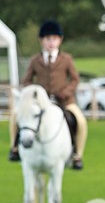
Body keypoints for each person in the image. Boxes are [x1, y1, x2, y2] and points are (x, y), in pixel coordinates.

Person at [10, 20, 87, 169]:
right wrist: (35, 93)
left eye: (54, 39)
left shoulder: (66, 59)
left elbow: (75, 79)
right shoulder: (35, 60)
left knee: (81, 121)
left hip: (64, 101)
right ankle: (14, 148)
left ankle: (77, 155)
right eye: (47, 39)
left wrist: (65, 92)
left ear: (60, 40)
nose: (51, 42)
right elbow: (26, 81)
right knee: (15, 115)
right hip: (40, 102)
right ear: (41, 40)